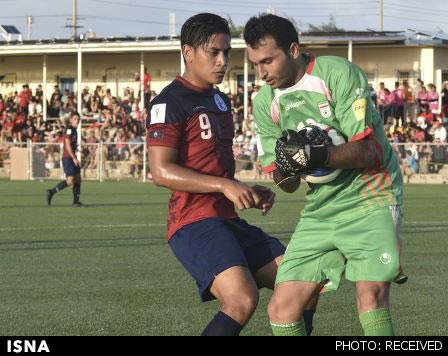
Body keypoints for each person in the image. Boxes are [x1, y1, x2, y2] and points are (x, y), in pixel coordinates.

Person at [147, 13, 318, 336]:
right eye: (214, 52)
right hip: (193, 222)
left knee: (303, 281)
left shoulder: (220, 100)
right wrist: (225, 185)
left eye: (227, 52)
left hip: (227, 220)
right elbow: (160, 171)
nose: (223, 61)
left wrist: (244, 189)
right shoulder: (169, 102)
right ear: (188, 53)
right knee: (241, 299)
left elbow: (212, 168)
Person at [243, 13, 405, 336]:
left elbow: (369, 150)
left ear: (292, 50)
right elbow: (284, 183)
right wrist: (289, 166)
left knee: (369, 298)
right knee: (281, 308)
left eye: (267, 61)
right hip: (321, 207)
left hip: (369, 195)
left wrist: (318, 154)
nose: (261, 73)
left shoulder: (337, 74)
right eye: (254, 64)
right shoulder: (264, 103)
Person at [46, 111, 85, 207]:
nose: (77, 121)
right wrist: (74, 158)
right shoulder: (69, 129)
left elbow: (71, 144)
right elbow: (67, 145)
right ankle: (51, 192)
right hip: (67, 158)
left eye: (78, 120)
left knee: (78, 178)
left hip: (72, 157)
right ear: (71, 119)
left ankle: (76, 201)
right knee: (70, 180)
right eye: (75, 119)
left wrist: (78, 150)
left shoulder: (74, 130)